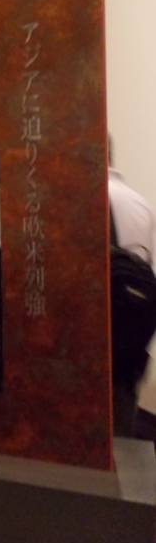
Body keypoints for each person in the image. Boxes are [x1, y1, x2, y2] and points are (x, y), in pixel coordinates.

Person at [109, 164, 156, 437]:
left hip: (96, 343)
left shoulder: (80, 199)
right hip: (132, 351)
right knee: (122, 436)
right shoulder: (142, 204)